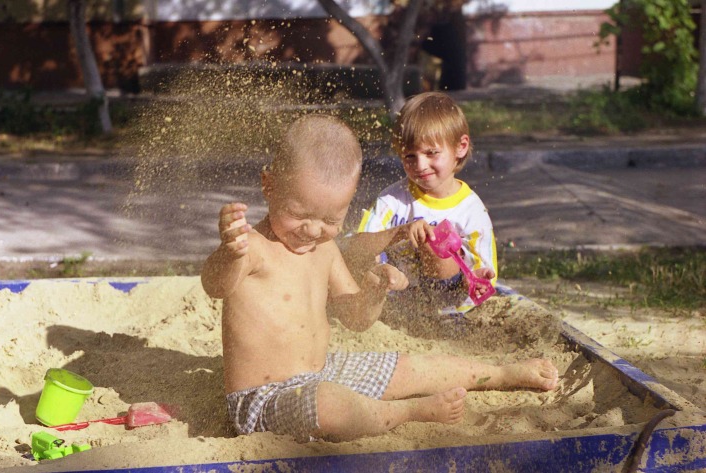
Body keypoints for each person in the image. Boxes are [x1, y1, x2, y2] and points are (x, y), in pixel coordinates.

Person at [201, 114, 558, 443]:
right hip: (264, 399)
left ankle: (501, 374)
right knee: (326, 403)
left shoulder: (324, 250)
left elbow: (354, 319)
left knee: (410, 368)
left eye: (330, 220)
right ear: (269, 186)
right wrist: (230, 252)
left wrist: (375, 291)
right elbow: (213, 285)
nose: (312, 229)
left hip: (323, 371)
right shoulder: (253, 248)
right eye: (298, 214)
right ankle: (405, 412)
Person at [344, 92, 496, 324]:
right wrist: (401, 232)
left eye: (431, 153)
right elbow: (357, 246)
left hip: (444, 302)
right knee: (352, 256)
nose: (420, 165)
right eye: (409, 156)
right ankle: (381, 283)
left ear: (460, 147)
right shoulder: (393, 200)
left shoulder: (471, 211)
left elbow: (483, 275)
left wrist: (473, 280)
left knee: (433, 241)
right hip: (395, 296)